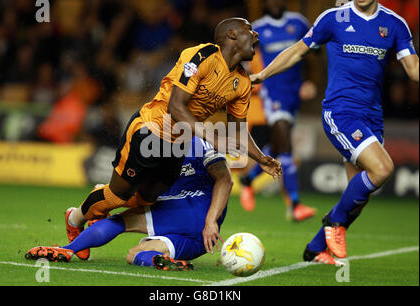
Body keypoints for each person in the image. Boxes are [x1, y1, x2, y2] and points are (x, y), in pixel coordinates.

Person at [57, 17, 282, 260]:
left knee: (148, 197)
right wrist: (212, 137)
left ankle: (98, 205)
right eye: (250, 30)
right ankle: (75, 217)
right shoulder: (201, 56)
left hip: (178, 144)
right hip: (150, 130)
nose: (256, 36)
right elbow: (176, 106)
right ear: (232, 35)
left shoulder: (243, 83)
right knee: (117, 195)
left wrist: (261, 158)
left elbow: (238, 129)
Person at [250, 0, 418, 264]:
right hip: (340, 112)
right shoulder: (333, 19)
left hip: (372, 117)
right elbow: (297, 52)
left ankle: (316, 247)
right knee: (383, 169)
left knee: (358, 197)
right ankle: (334, 221)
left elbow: (414, 70)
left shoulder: (395, 24)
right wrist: (262, 75)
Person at [25, 136, 232, 271]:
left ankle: (68, 249)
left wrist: (209, 220)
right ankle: (156, 260)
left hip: (194, 213)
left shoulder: (179, 144)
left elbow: (225, 180)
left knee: (120, 220)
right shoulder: (200, 143)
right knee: (134, 255)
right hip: (201, 241)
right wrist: (213, 223)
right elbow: (225, 178)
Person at [239, 0, 317, 222]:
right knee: (286, 146)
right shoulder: (257, 27)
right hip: (272, 94)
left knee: (279, 144)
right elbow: (243, 57)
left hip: (294, 94)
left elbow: (313, 54)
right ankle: (294, 204)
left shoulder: (298, 23)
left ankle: (248, 179)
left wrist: (310, 81)